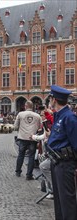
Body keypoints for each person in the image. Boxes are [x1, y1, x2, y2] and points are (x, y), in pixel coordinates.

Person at [47, 85, 77, 220]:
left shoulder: (69, 117)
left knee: (67, 202)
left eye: (50, 98)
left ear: (54, 99)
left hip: (66, 163)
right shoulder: (59, 115)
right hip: (57, 162)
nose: (49, 101)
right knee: (59, 201)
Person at [14, 101, 42, 180]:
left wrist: (20, 130)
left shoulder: (20, 114)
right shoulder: (37, 116)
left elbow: (15, 127)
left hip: (23, 138)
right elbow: (40, 128)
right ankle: (29, 175)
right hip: (32, 138)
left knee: (21, 155)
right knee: (31, 156)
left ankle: (18, 172)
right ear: (32, 107)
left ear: (25, 106)